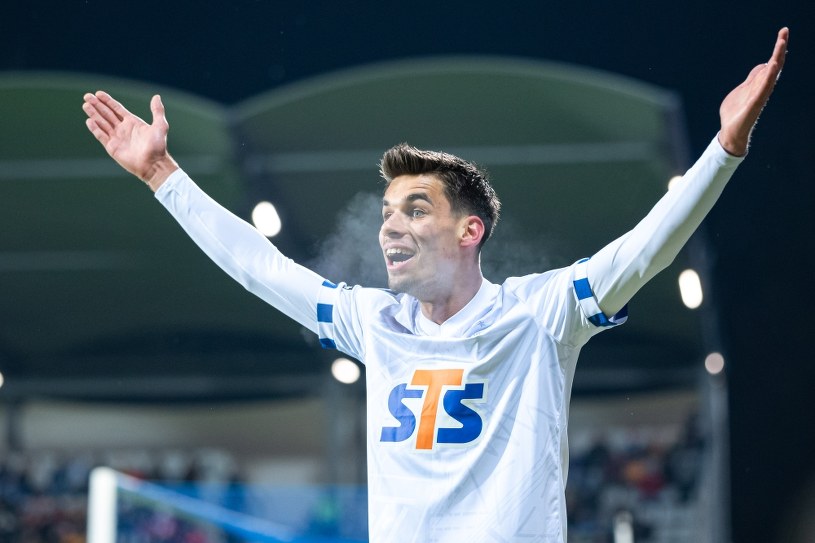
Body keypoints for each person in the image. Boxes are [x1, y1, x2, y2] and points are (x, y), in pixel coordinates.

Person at [82, 28, 788, 543]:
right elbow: (259, 266)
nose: (391, 226)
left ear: (469, 231)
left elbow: (645, 251)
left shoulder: (539, 313)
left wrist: (723, 150)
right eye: (387, 212)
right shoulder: (373, 322)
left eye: (416, 209)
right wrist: (163, 176)